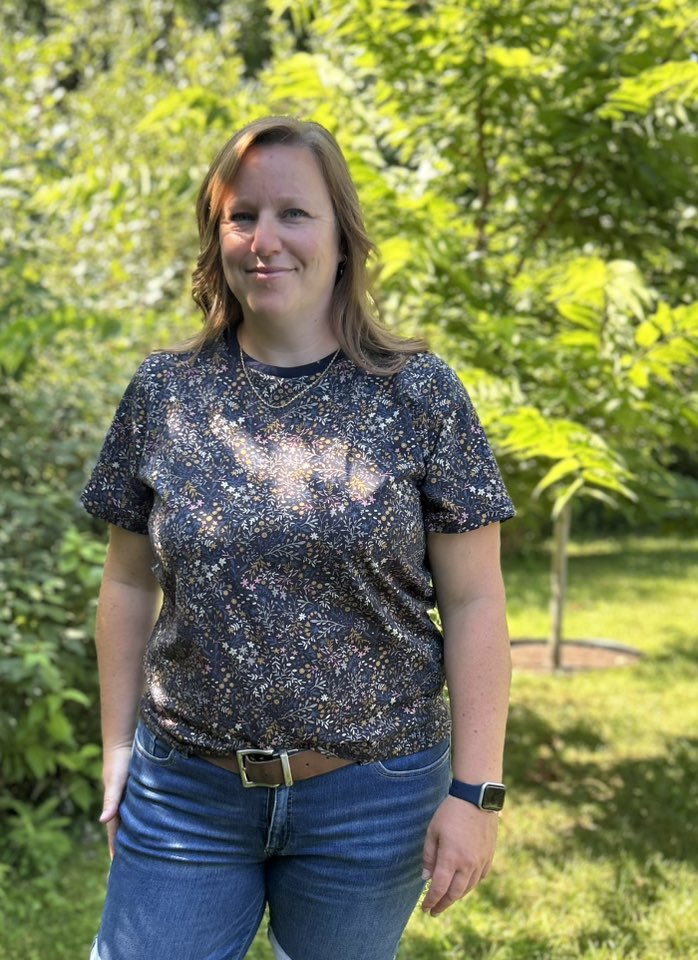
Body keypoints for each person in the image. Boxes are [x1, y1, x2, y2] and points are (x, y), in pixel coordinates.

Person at [81, 115, 515, 960]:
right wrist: (118, 746)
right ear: (216, 237)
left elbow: (476, 600)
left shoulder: (420, 394)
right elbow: (128, 582)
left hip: (373, 798)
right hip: (186, 790)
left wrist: (476, 793)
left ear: (342, 238)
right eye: (241, 216)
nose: (264, 240)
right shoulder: (164, 393)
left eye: (294, 214)